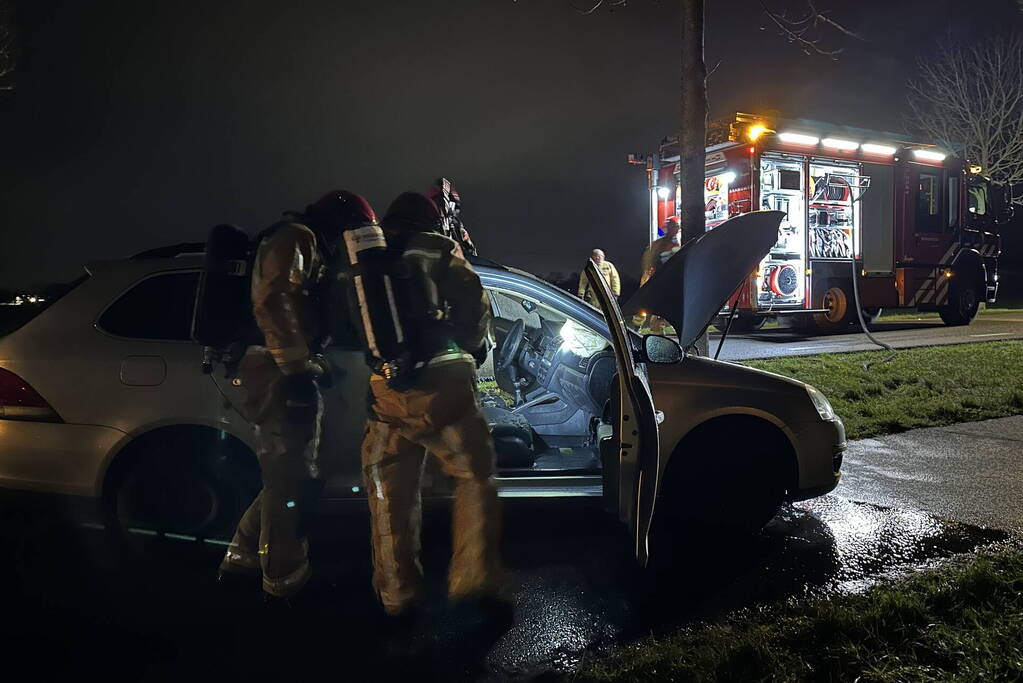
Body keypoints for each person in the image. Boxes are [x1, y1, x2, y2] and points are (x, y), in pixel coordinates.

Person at [217, 190, 378, 600]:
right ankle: (285, 581)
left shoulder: (306, 239)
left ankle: (242, 558)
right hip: (275, 368)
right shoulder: (298, 238)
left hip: (274, 365)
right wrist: (299, 364)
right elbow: (274, 299)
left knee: (285, 473)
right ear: (341, 223)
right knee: (294, 479)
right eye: (355, 232)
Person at [359, 192, 506, 620]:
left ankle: (397, 594)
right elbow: (476, 306)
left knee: (389, 492)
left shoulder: (369, 257)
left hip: (385, 388)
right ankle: (475, 581)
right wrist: (472, 350)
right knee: (474, 475)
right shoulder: (439, 248)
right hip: (443, 384)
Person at [636, 217, 683, 333]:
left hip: (672, 283)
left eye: (676, 227)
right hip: (658, 282)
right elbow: (648, 261)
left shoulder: (680, 243)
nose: (674, 229)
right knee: (651, 309)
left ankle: (659, 336)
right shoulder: (658, 244)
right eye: (672, 227)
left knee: (664, 312)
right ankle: (638, 327)